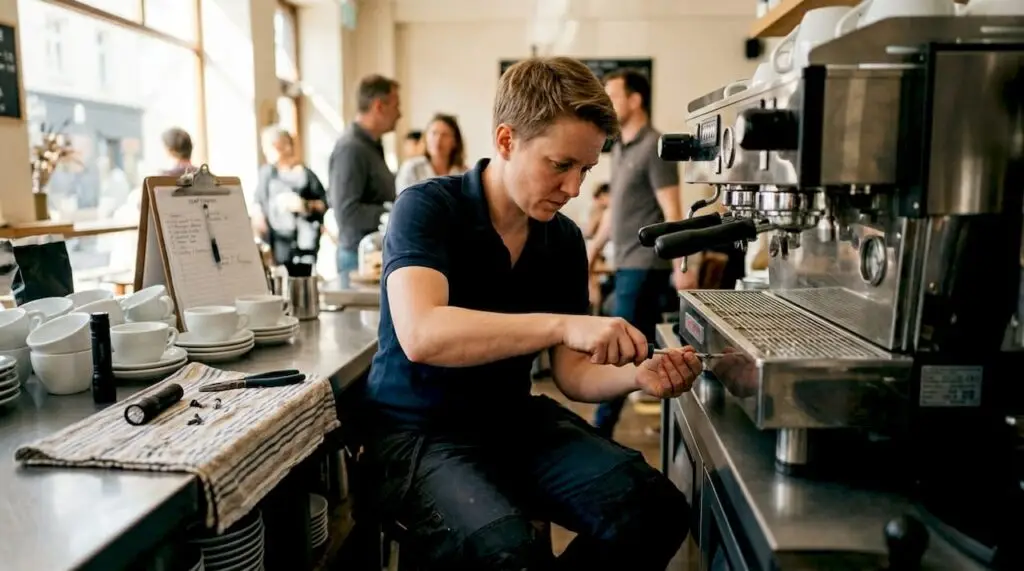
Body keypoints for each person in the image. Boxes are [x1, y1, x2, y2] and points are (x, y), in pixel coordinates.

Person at [363, 56, 700, 570]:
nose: (574, 190)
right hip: (419, 431)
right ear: (505, 141)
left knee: (655, 509)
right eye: (560, 165)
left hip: (509, 421)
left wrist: (637, 375)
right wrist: (562, 323)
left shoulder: (562, 239)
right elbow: (423, 333)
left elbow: (572, 375)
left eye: (585, 169)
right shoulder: (428, 207)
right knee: (508, 551)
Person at [587, 68, 699, 439]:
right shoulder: (620, 147)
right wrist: (593, 251)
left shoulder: (656, 146)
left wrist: (683, 263)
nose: (609, 103)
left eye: (614, 96)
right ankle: (673, 426)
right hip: (625, 263)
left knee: (621, 350)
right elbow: (615, 212)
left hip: (646, 264)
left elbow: (673, 210)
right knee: (645, 350)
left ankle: (599, 430)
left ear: (635, 100)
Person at [328, 74, 401, 287]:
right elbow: (347, 212)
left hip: (374, 255)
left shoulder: (371, 146)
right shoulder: (351, 148)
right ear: (379, 106)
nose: (400, 113)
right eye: (396, 106)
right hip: (358, 258)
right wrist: (394, 212)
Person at [252, 126, 328, 266]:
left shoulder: (306, 175)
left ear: (286, 146)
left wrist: (304, 205)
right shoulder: (267, 174)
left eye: (273, 146)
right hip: (278, 244)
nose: (267, 151)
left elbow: (324, 204)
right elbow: (258, 203)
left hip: (304, 244)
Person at [394, 113, 468, 194]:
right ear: (426, 138)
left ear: (455, 142)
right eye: (434, 133)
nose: (438, 139)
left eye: (445, 135)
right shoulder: (411, 168)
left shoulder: (464, 174)